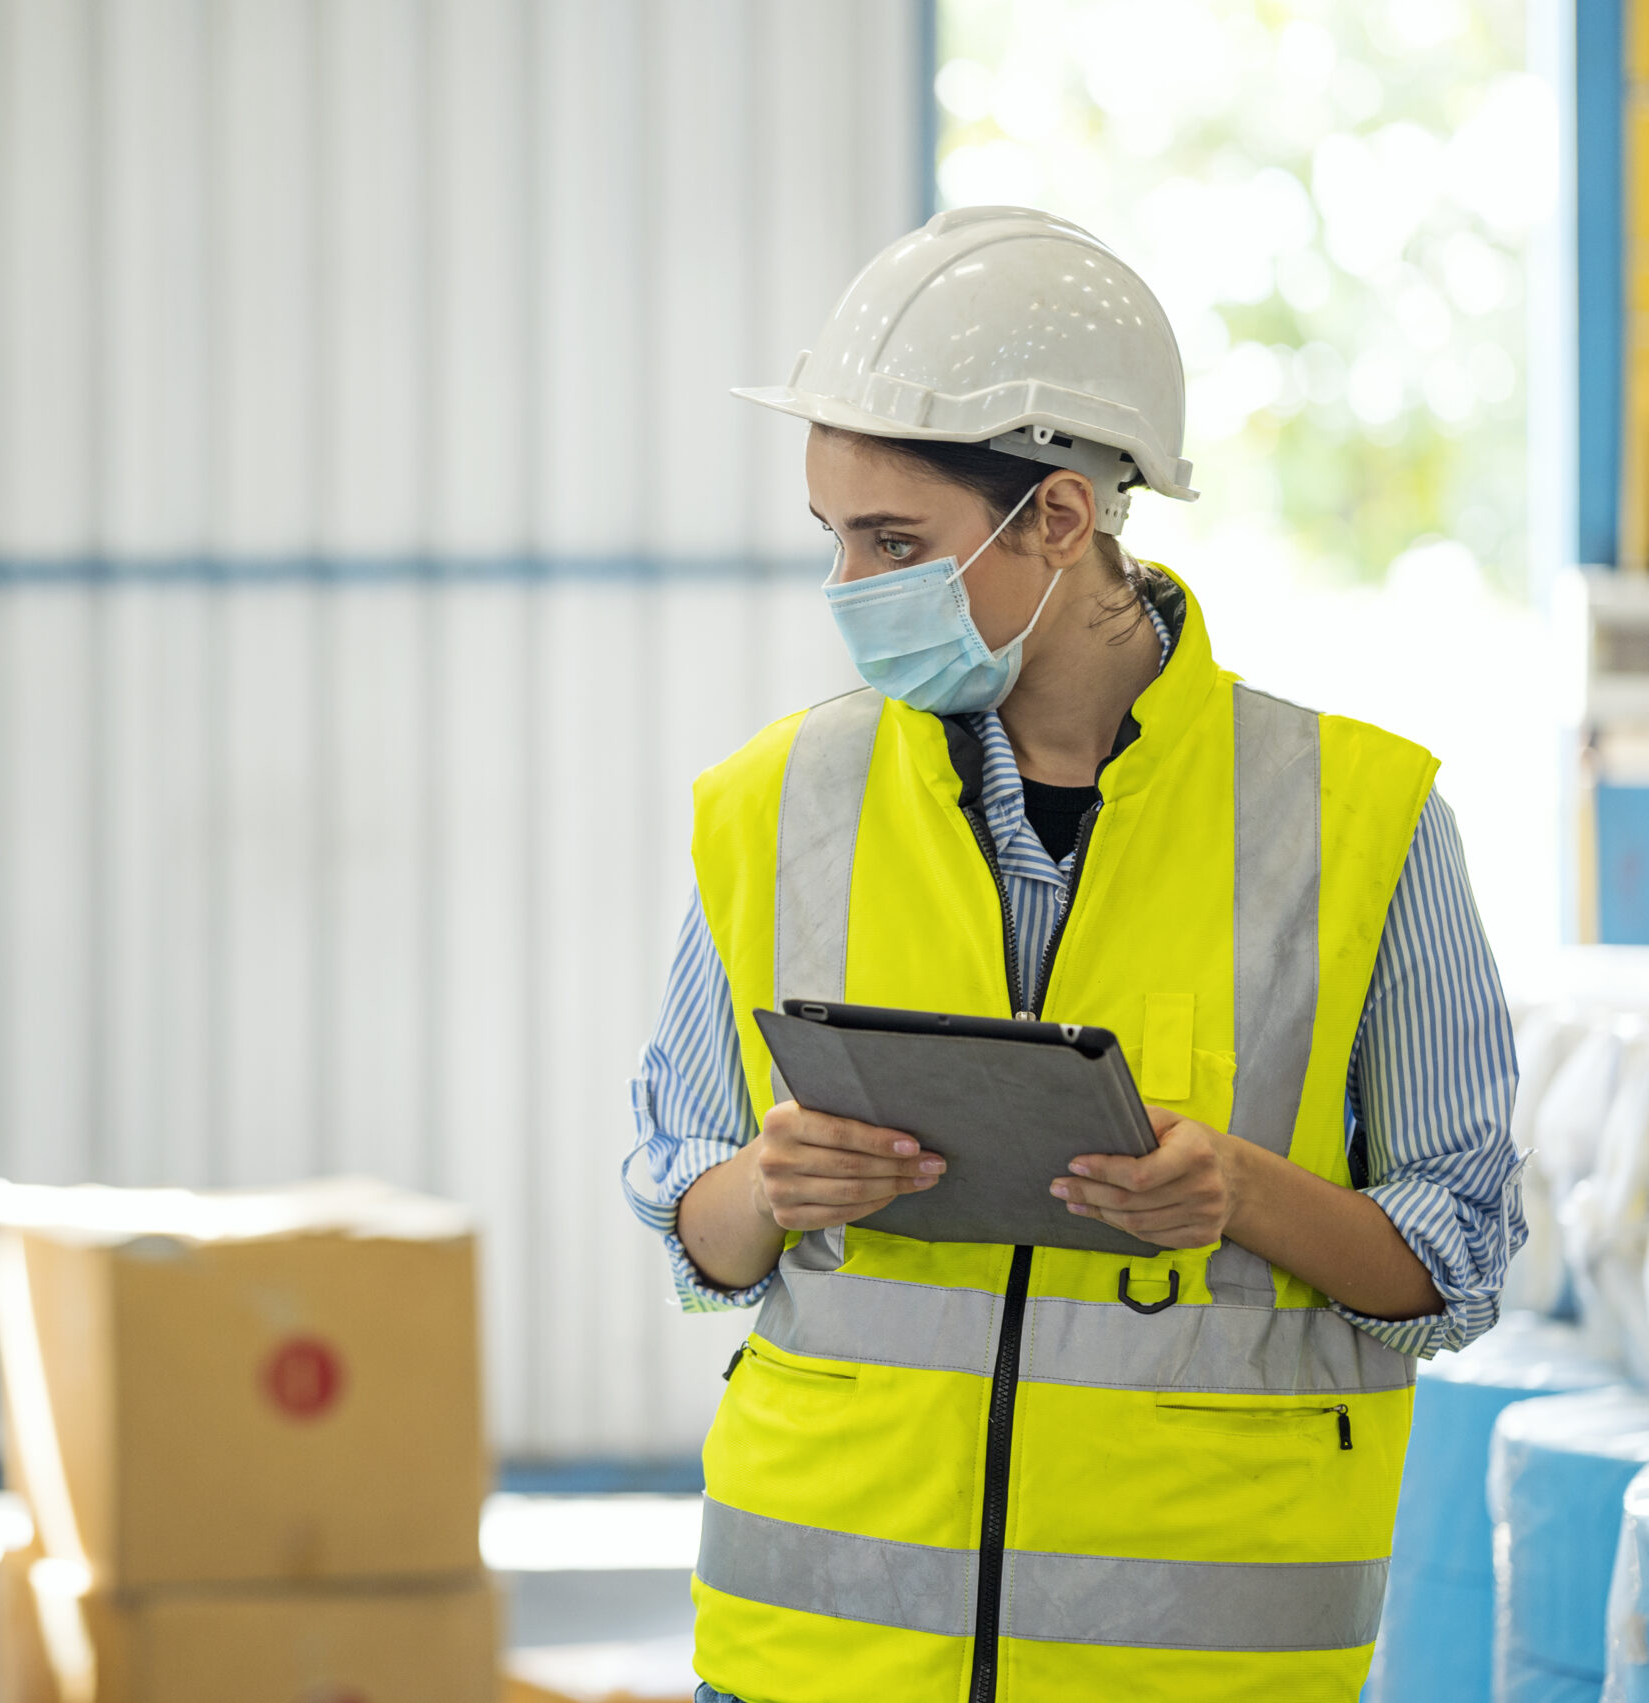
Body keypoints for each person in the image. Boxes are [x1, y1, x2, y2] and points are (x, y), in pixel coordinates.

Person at [621, 206, 1521, 1702]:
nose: (847, 584)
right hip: (811, 1648)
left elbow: (1461, 1256)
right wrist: (768, 1188)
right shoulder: (775, 803)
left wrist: (1242, 1191)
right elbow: (689, 1214)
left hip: (1192, 1663)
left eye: (892, 541)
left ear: (1056, 519)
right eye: (832, 534)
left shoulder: (1363, 819)